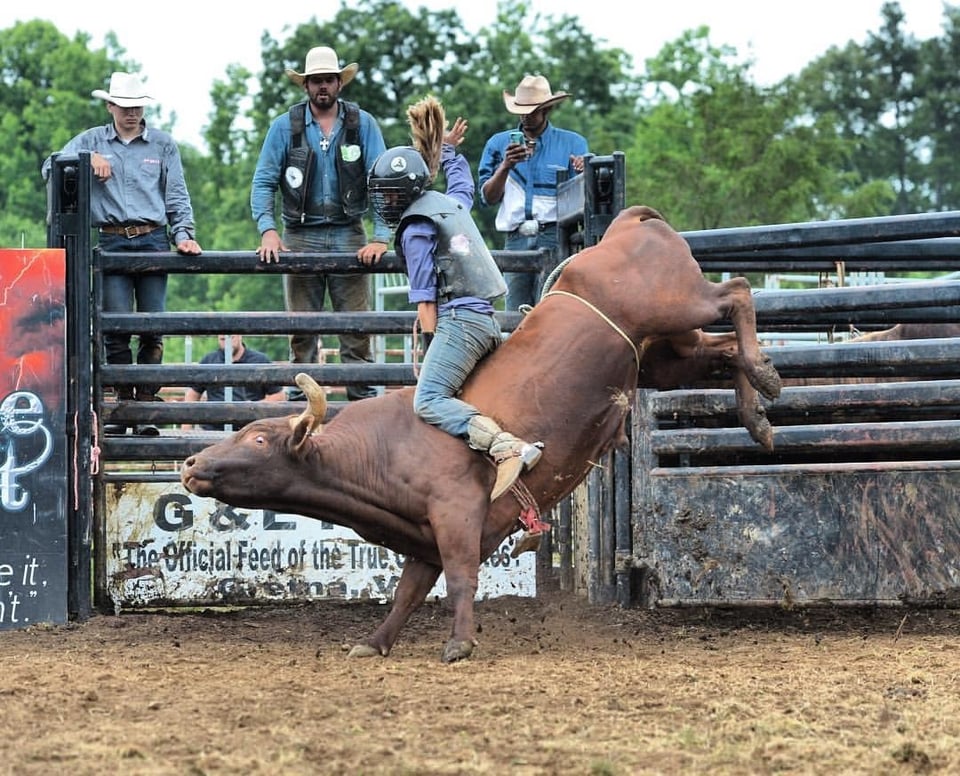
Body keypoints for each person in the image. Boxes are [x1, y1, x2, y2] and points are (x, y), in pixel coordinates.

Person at [367, 96, 542, 503]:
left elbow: (425, 298)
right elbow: (462, 181)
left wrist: (431, 347)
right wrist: (446, 150)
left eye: (391, 195)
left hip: (457, 322)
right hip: (487, 318)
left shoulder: (414, 229)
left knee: (428, 400)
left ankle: (505, 447)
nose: (387, 202)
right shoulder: (451, 204)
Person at [41, 71, 202, 436]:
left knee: (152, 326)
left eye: (137, 106)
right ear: (111, 106)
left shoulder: (162, 145)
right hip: (113, 239)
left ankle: (143, 407)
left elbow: (176, 194)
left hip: (152, 238)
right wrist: (86, 158)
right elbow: (50, 166)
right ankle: (123, 406)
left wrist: (184, 234)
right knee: (114, 328)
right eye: (125, 106)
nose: (131, 113)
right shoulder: (91, 140)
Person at [252, 46, 391, 402]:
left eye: (328, 79)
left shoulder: (363, 123)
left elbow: (382, 180)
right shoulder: (285, 126)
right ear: (306, 86)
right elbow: (264, 180)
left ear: (339, 83)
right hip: (299, 235)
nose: (322, 87)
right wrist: (268, 229)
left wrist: (381, 236)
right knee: (301, 329)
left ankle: (364, 404)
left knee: (356, 326)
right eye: (316, 81)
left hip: (350, 231)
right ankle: (303, 403)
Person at [478, 75, 588, 311]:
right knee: (515, 309)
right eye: (521, 110)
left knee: (551, 309)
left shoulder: (573, 143)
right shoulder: (498, 144)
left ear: (546, 110)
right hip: (515, 236)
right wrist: (506, 165)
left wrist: (582, 173)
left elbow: (581, 201)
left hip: (555, 235)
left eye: (532, 111)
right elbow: (487, 197)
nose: (525, 116)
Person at [182, 335, 285, 430]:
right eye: (222, 339)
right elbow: (193, 394)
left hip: (248, 430)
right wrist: (186, 430)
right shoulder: (209, 360)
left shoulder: (260, 360)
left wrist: (253, 407)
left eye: (231, 337)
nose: (226, 341)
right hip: (212, 428)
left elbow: (279, 395)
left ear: (240, 336)